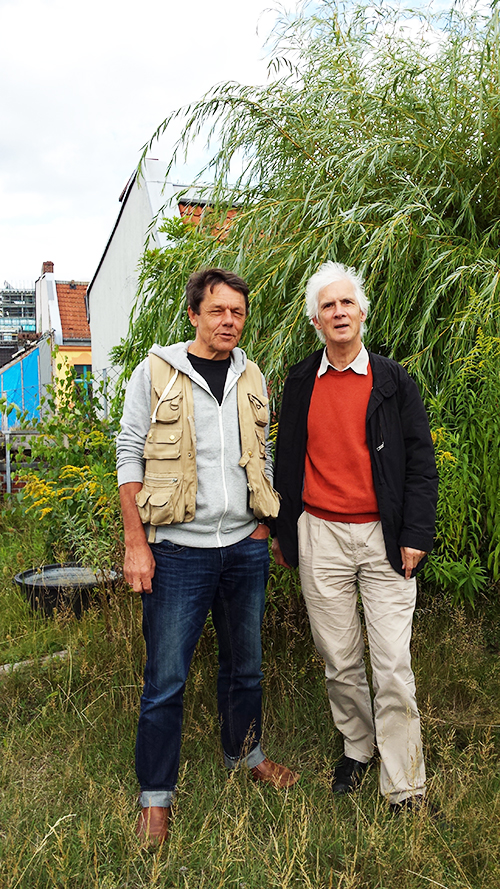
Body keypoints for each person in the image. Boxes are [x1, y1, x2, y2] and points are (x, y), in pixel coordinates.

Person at [116, 267, 299, 845]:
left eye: (238, 313)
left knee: (245, 666)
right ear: (194, 314)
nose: (229, 322)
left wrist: (263, 527)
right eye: (218, 311)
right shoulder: (157, 372)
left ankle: (247, 756)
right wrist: (136, 543)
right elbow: (129, 457)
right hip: (178, 553)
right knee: (166, 676)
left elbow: (261, 455)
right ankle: (155, 797)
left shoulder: (254, 375)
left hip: (244, 548)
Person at [272, 261, 437, 813]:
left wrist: (416, 532)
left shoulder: (392, 380)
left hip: (383, 538)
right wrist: (283, 528)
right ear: (314, 320)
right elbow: (285, 459)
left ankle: (405, 782)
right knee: (339, 658)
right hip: (319, 534)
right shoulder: (299, 382)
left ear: (362, 313)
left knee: (391, 662)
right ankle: (358, 746)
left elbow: (421, 462)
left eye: (347, 303)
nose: (338, 313)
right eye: (327, 306)